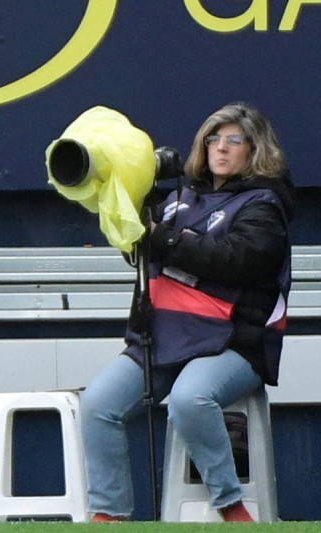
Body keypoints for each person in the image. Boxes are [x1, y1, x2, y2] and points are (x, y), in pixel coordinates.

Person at [80, 102, 293, 522]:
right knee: (97, 404)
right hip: (164, 339)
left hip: (235, 343)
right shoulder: (179, 199)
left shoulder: (264, 205)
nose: (221, 148)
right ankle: (108, 516)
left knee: (190, 399)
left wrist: (162, 239)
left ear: (255, 149)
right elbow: (139, 251)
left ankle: (232, 508)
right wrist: (127, 211)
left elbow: (233, 260)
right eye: (213, 139)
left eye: (234, 140)